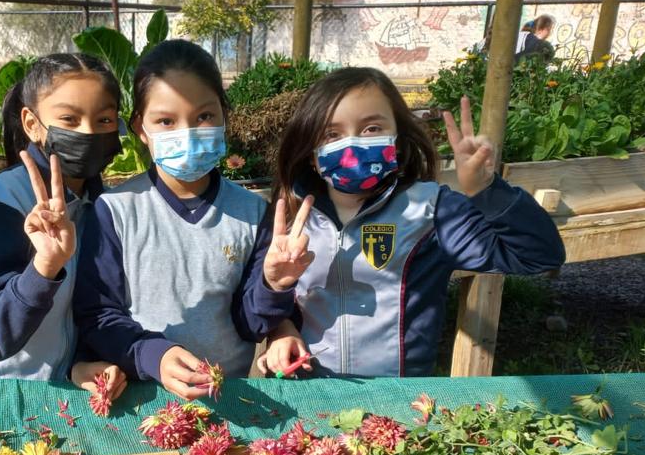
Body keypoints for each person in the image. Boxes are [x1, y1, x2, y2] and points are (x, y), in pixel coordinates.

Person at [241, 66, 565, 378]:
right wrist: (279, 316)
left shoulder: (432, 211)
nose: (352, 145)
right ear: (311, 153)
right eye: (331, 134)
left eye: (371, 129)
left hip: (398, 406)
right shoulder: (290, 214)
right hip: (308, 400)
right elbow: (254, 317)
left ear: (397, 137)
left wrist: (486, 191)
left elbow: (539, 254)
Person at [74, 39, 276, 400]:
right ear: (140, 128)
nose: (188, 132)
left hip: (228, 396)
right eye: (166, 121)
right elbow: (98, 315)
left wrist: (276, 285)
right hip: (141, 397)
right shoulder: (116, 210)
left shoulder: (253, 212)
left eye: (204, 117)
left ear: (224, 117)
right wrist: (154, 356)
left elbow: (253, 322)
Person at [0, 53, 127, 403]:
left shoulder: (99, 203)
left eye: (103, 119)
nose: (88, 132)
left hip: (63, 389)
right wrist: (44, 268)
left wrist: (78, 365)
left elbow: (88, 307)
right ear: (31, 123)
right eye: (69, 119)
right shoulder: (4, 199)